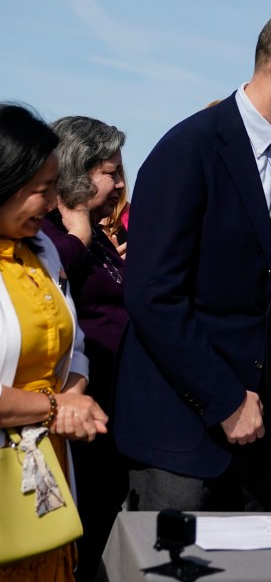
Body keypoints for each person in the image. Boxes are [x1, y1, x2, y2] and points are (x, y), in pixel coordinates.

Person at [114, 5, 271, 512]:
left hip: (252, 438)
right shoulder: (189, 150)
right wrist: (224, 399)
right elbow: (153, 295)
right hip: (179, 438)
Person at [0, 104, 107, 580]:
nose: (49, 205)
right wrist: (55, 408)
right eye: (39, 192)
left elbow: (73, 345)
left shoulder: (41, 248)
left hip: (47, 461)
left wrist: (73, 399)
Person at [40, 115, 129, 582]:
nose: (119, 183)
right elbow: (51, 290)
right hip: (75, 414)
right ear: (77, 171)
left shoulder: (95, 233)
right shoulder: (49, 233)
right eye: (109, 172)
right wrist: (76, 235)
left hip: (110, 407)